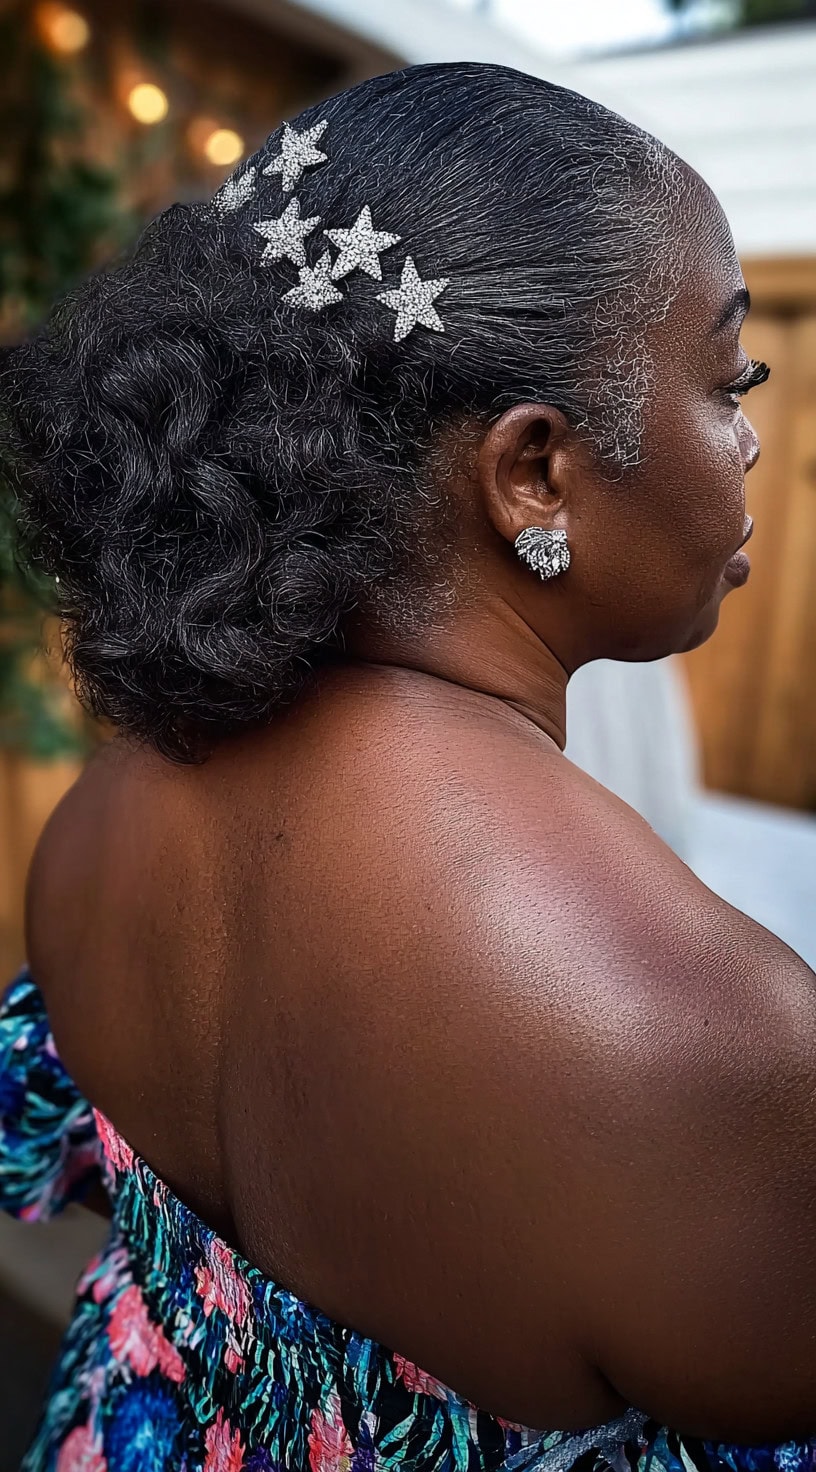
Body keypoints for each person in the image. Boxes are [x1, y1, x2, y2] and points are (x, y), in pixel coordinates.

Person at [0, 58, 812, 1472]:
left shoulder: (108, 806)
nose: (748, 441)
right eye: (727, 378)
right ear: (534, 472)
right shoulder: (707, 1046)